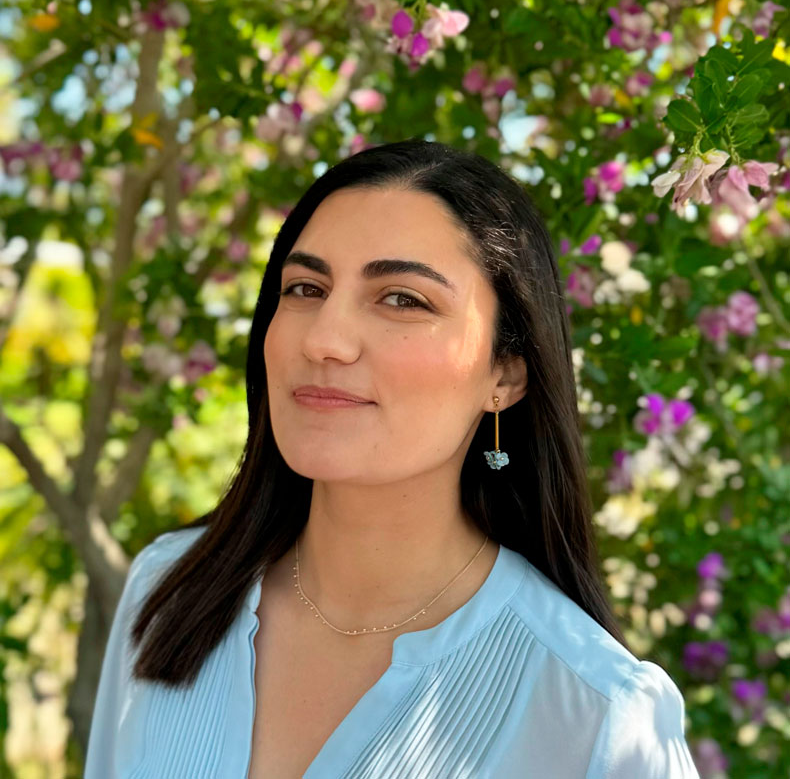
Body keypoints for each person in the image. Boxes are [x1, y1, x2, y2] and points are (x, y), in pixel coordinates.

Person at [84, 138, 701, 778]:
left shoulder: (599, 715)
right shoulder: (167, 591)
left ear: (507, 374)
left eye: (403, 299)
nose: (324, 338)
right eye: (304, 287)